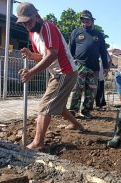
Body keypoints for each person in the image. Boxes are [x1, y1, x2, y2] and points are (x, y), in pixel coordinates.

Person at [16, 2, 84, 150]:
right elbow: (42, 56)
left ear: (36, 16)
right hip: (56, 73)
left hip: (65, 72)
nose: (27, 26)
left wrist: (32, 72)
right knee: (57, 105)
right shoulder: (32, 34)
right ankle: (77, 124)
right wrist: (30, 54)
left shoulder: (48, 27)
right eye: (23, 23)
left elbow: (52, 54)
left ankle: (38, 143)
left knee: (46, 105)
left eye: (28, 21)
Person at [68, 10, 109, 119]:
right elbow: (70, 50)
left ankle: (86, 111)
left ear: (92, 21)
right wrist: (69, 64)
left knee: (91, 91)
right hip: (79, 65)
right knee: (76, 89)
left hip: (94, 67)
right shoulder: (76, 32)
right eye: (83, 19)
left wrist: (105, 67)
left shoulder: (99, 35)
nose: (85, 21)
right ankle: (73, 111)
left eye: (87, 19)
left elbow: (103, 52)